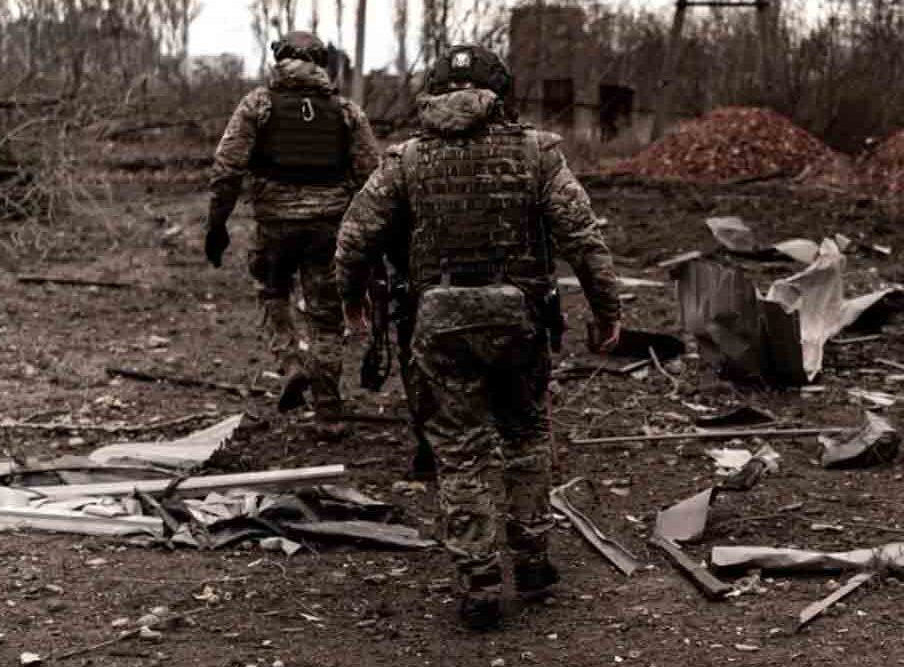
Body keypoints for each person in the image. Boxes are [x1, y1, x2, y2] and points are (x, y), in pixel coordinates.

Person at [335, 44, 622, 631]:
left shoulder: (406, 159)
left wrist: (350, 300)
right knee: (525, 436)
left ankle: (480, 584)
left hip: (438, 322)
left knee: (459, 453)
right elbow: (583, 238)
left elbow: (354, 237)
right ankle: (534, 560)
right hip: (519, 319)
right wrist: (605, 310)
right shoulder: (538, 153)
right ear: (501, 95)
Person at [205, 31, 380, 425]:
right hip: (328, 230)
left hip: (275, 228)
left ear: (279, 59)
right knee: (325, 317)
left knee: (271, 293)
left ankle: (290, 363)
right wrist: (370, 238)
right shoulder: (347, 111)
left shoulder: (258, 105)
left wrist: (216, 225)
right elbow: (374, 178)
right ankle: (329, 411)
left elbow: (227, 169)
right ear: (322, 64)